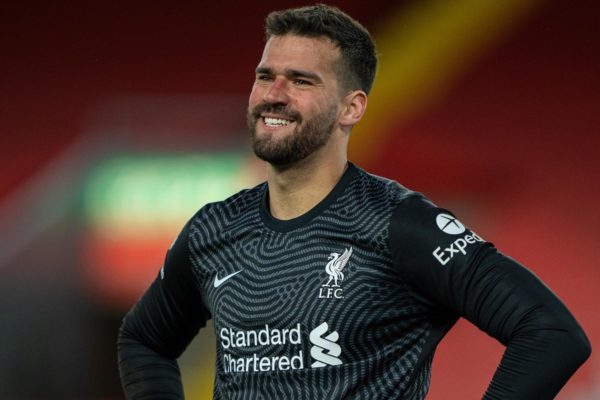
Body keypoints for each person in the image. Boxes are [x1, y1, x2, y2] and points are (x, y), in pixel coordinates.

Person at [117, 4, 591, 399]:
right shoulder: (213, 230)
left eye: (301, 81)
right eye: (266, 76)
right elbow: (144, 340)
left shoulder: (399, 224)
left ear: (352, 107)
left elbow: (551, 334)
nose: (273, 95)